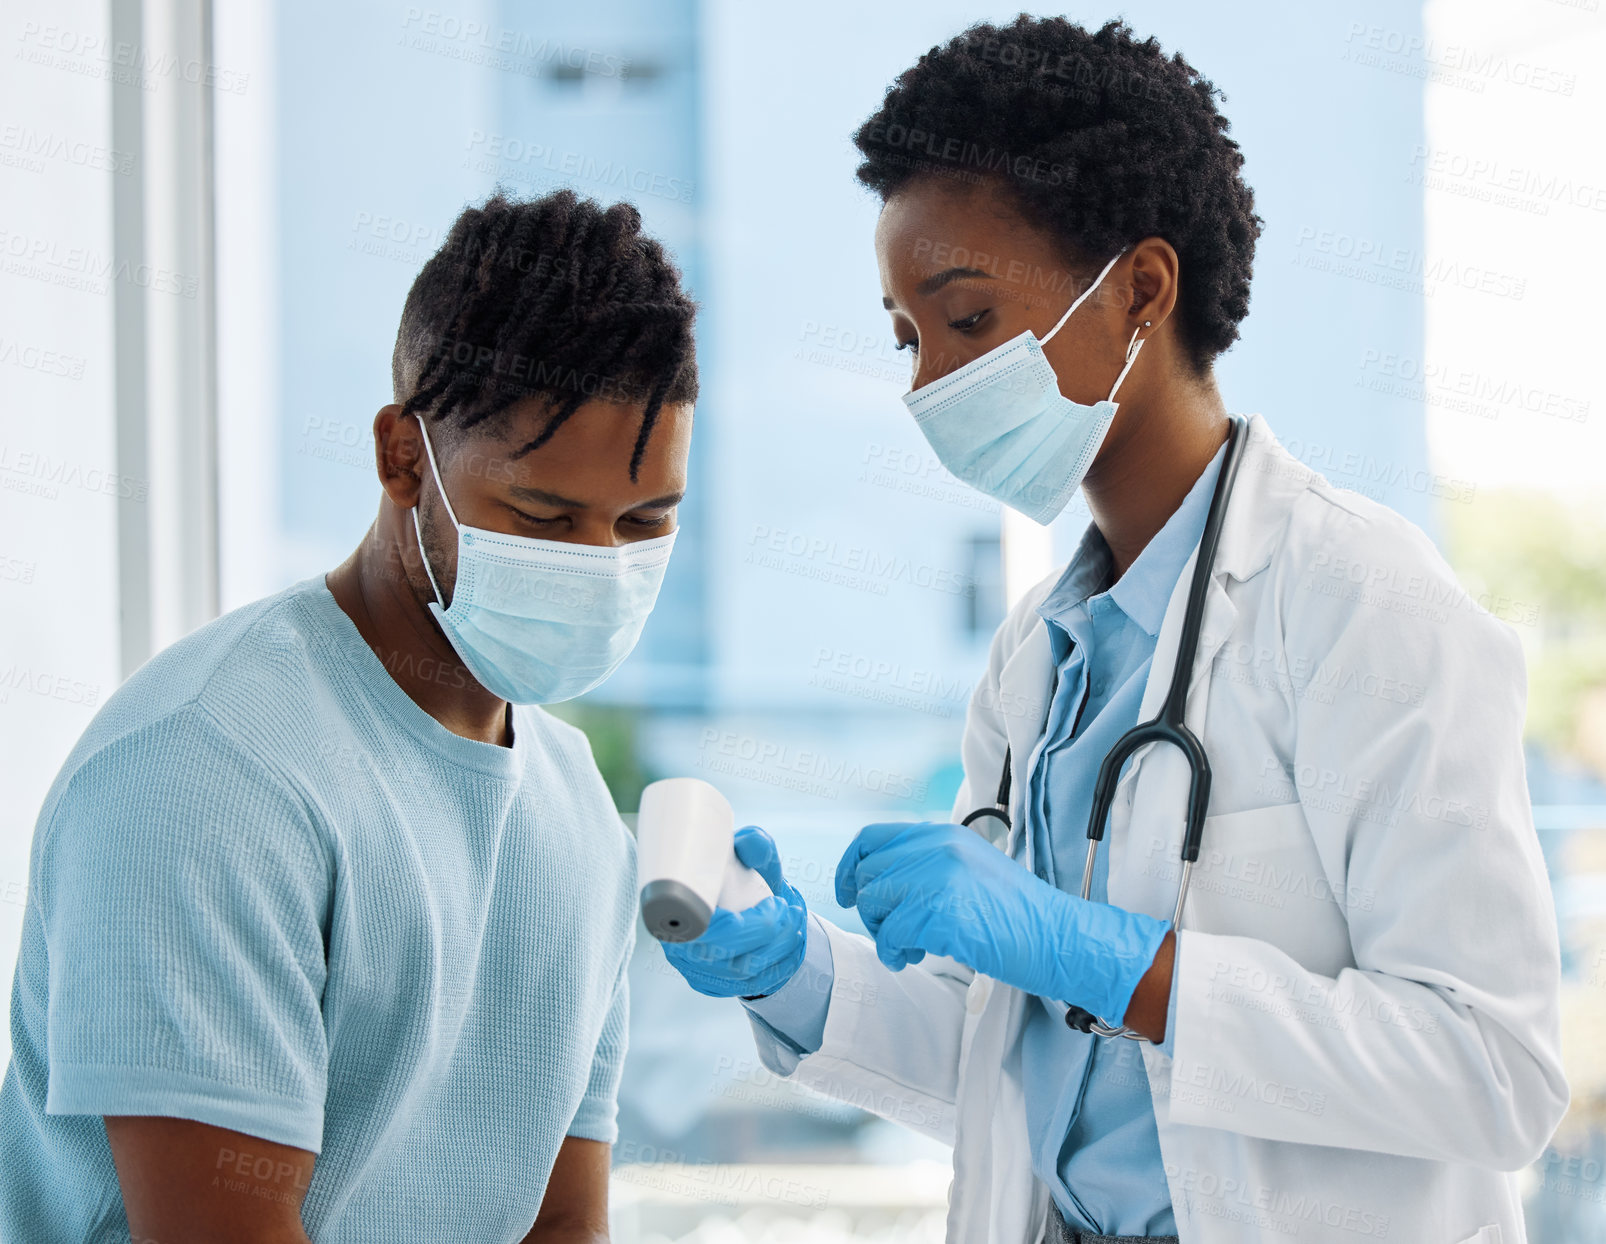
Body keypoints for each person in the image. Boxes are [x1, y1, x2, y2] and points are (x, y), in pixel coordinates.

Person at [660, 16, 1568, 1244]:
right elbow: (1015, 1073)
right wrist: (795, 970)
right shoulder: (1039, 656)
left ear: (1142, 286)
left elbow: (1490, 1070)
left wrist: (1112, 959)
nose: (928, 383)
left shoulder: (1363, 602)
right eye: (906, 338)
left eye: (967, 320)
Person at [0, 188, 698, 1242]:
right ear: (402, 457)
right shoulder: (208, 765)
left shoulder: (574, 807)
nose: (597, 567)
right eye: (544, 517)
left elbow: (560, 1220)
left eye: (643, 521)